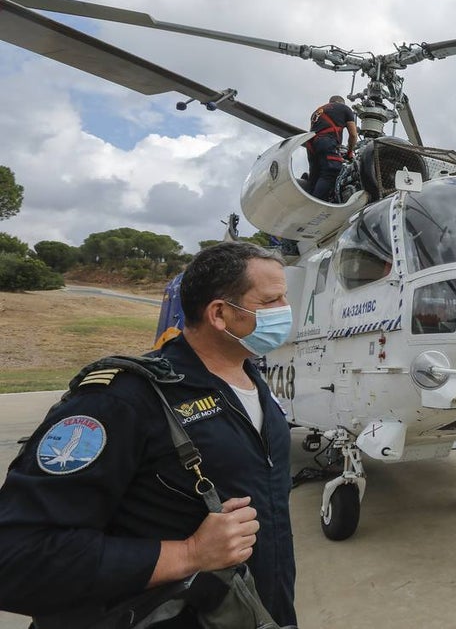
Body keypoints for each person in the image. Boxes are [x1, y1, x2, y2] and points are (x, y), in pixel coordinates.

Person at [0, 241, 298, 627]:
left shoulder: (253, 380)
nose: (286, 311)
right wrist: (188, 554)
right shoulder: (121, 400)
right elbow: (17, 555)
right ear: (220, 314)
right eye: (272, 301)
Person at [305, 94, 358, 202]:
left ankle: (305, 203)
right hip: (326, 141)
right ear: (342, 103)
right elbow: (353, 135)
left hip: (311, 144)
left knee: (314, 177)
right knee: (331, 172)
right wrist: (349, 152)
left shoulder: (318, 111)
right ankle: (315, 205)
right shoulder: (345, 109)